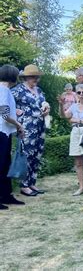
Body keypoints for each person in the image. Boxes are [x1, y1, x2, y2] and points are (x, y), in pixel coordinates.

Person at [11, 64, 49, 197]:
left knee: (37, 154)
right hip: (26, 127)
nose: (36, 80)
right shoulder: (18, 90)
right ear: (26, 77)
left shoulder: (39, 90)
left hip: (40, 125)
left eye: (37, 77)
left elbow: (44, 103)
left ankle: (32, 182)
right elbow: (5, 104)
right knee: (26, 154)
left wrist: (46, 108)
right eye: (33, 77)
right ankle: (24, 185)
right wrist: (15, 111)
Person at [0, 65, 25, 209]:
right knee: (1, 165)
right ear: (12, 76)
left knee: (5, 165)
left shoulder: (5, 90)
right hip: (1, 132)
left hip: (5, 132)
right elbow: (3, 114)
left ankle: (6, 195)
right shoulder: (3, 89)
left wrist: (15, 113)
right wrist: (18, 125)